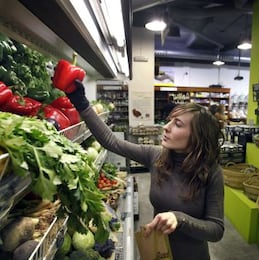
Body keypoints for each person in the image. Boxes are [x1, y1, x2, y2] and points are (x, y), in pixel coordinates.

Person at [66, 79, 225, 260]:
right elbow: (112, 142)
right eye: (169, 121)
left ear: (197, 136)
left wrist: (179, 219)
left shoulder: (211, 172)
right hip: (158, 252)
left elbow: (216, 229)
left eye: (177, 124)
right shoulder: (157, 156)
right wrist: (81, 102)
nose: (166, 127)